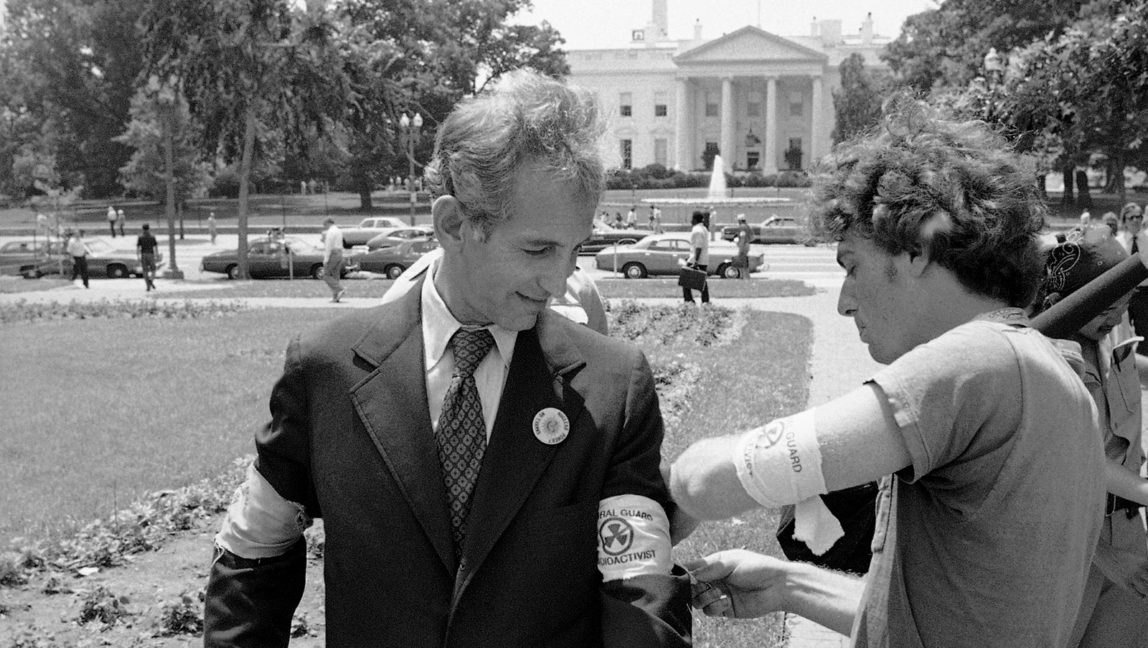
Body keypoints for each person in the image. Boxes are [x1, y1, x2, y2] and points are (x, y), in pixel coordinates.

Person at [203, 69, 691, 648]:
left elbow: (639, 589)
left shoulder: (613, 385)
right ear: (454, 224)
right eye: (538, 248)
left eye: (574, 248)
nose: (562, 278)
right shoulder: (326, 369)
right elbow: (255, 552)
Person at [668, 103, 1105, 646]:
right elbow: (955, 617)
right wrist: (790, 584)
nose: (845, 303)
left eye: (852, 266)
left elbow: (708, 484)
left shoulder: (973, 364)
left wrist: (665, 491)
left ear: (917, 247)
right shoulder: (1051, 374)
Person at [1028, 229, 1148, 647]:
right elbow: (1066, 464)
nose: (1116, 317)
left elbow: (1128, 367)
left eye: (1124, 303)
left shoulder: (1108, 332)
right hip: (1073, 542)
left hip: (1128, 531)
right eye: (1106, 306)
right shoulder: (1042, 356)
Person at [384, 246, 610, 336]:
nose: (556, 286)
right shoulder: (409, 292)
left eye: (576, 248)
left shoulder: (579, 286)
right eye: (536, 249)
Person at [1115, 202, 1148, 352]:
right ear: (1124, 221)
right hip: (1124, 294)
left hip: (1144, 294)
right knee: (1122, 338)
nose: (1136, 220)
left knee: (1145, 334)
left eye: (1139, 217)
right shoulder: (1118, 242)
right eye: (1131, 217)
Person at [682, 210, 710, 304]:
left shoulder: (697, 230)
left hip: (696, 260)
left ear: (694, 219)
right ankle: (705, 301)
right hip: (703, 260)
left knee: (685, 281)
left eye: (692, 219)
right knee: (702, 283)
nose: (690, 221)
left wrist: (695, 261)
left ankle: (689, 301)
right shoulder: (704, 229)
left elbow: (698, 247)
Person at [320, 217, 345, 303]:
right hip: (339, 253)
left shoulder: (330, 232)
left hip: (332, 254)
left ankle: (339, 289)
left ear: (328, 223)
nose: (324, 226)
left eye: (325, 225)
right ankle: (336, 297)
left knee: (326, 275)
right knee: (335, 275)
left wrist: (326, 259)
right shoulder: (338, 231)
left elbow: (328, 246)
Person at [136, 223, 158, 292]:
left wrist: (138, 256)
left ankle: (147, 286)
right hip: (151, 254)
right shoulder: (152, 237)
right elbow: (155, 246)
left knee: (145, 271)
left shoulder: (140, 237)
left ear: (142, 229)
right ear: (149, 229)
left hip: (143, 254)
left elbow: (138, 247)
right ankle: (151, 280)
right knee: (153, 270)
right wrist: (156, 255)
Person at [734, 214, 752, 280]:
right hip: (747, 244)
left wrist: (740, 246)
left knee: (742, 261)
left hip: (743, 245)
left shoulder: (742, 227)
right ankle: (746, 276)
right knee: (744, 261)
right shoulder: (748, 226)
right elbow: (752, 237)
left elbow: (742, 237)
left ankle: (743, 276)